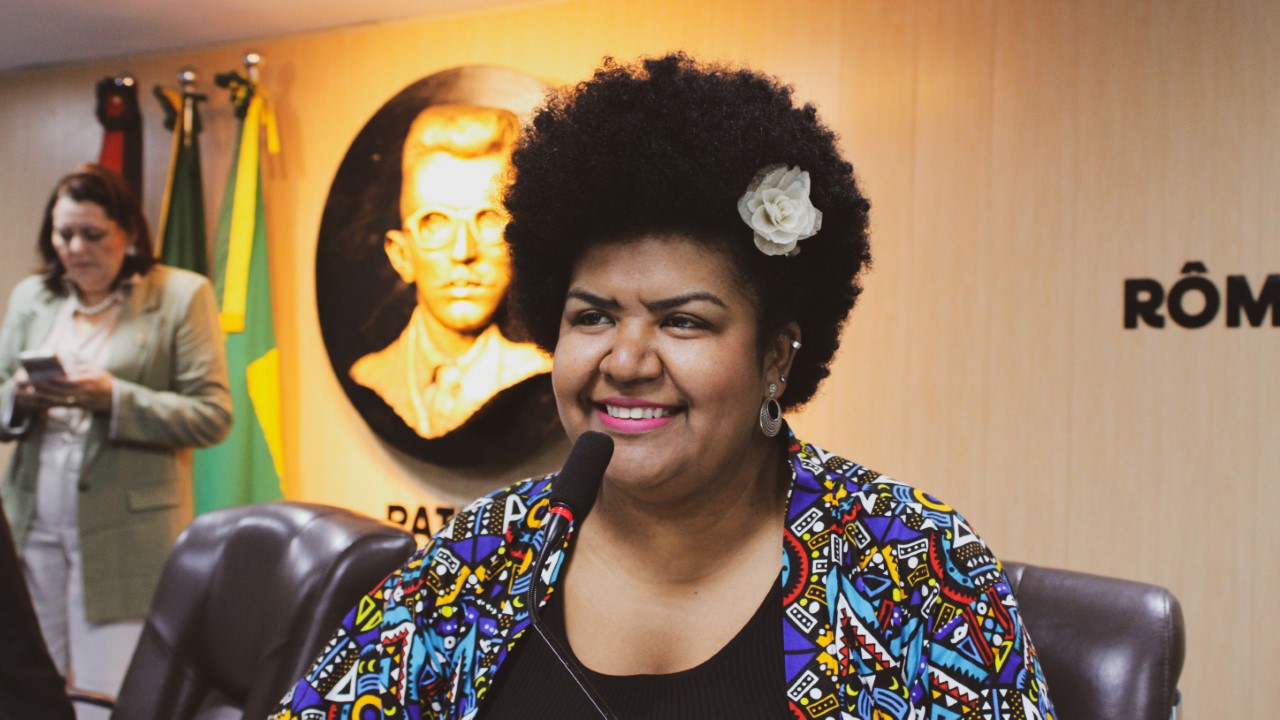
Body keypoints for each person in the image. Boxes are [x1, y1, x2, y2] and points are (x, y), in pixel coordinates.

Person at [272, 54, 1055, 719]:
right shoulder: (482, 557)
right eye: (593, 317)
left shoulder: (914, 566)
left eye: (683, 321)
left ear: (777, 356)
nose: (626, 360)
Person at [0, 164, 231, 708]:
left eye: (93, 234)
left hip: (123, 538)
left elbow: (212, 414)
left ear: (128, 233)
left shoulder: (181, 295)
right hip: (33, 527)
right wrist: (19, 399)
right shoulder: (33, 297)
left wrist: (114, 398)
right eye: (64, 234)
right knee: (26, 690)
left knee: (107, 696)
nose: (76, 248)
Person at [349, 103, 552, 439]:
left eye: (488, 220)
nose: (463, 252)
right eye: (435, 223)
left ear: (518, 248)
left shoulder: (539, 371)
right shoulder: (371, 374)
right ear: (401, 255)